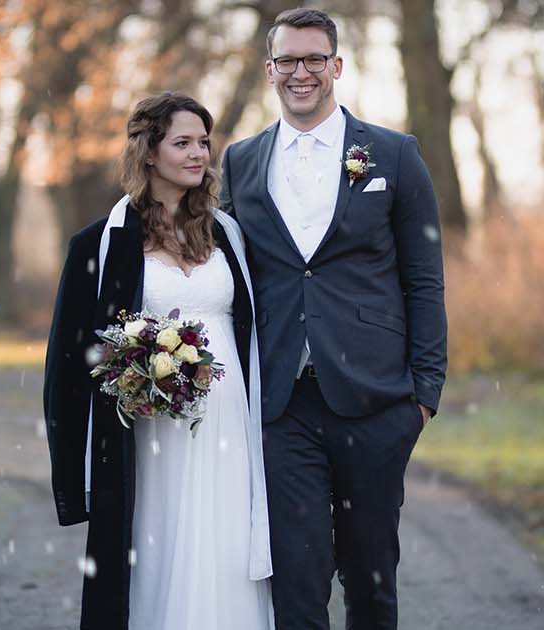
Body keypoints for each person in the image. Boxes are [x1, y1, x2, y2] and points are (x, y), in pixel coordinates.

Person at [217, 8, 449, 630]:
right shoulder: (240, 162)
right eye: (288, 60)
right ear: (269, 70)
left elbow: (424, 277)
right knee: (296, 575)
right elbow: (224, 272)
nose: (301, 72)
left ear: (336, 66)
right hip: (280, 406)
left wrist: (423, 395)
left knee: (372, 581)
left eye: (314, 59)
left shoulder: (394, 155)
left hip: (376, 403)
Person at [44, 92, 273, 630]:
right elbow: (69, 363)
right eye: (183, 143)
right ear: (149, 152)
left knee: (226, 544)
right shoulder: (99, 246)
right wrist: (72, 469)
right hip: (149, 435)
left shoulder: (230, 237)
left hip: (230, 425)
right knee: (156, 546)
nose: (199, 154)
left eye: (203, 143)